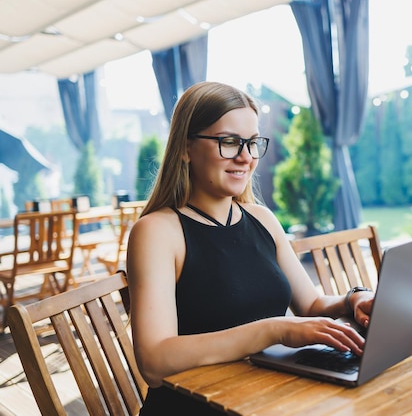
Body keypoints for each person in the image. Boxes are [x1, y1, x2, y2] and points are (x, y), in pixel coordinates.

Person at [127, 81, 375, 415]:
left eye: (253, 143)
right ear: (185, 148)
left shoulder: (261, 218)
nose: (245, 157)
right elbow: (155, 362)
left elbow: (312, 303)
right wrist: (275, 330)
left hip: (262, 398)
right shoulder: (158, 231)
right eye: (229, 142)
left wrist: (353, 299)